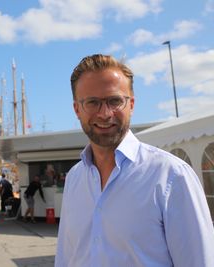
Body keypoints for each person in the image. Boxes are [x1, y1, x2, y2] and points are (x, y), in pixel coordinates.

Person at [55, 54, 214, 266]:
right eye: (92, 102)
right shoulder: (75, 178)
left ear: (131, 104)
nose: (105, 113)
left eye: (115, 101)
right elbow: (66, 257)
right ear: (77, 109)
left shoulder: (172, 176)